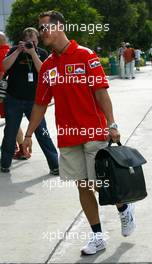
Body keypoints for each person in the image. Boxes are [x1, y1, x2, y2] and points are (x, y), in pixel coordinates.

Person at [23, 11, 136, 255]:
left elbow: (101, 93)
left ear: (60, 27)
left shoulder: (86, 56)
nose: (42, 33)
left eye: (45, 28)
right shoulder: (48, 67)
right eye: (39, 29)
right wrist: (30, 135)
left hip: (94, 132)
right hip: (67, 136)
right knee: (82, 186)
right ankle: (98, 236)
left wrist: (112, 124)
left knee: (100, 184)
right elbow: (40, 104)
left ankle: (124, 207)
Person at [1, 27, 59, 174]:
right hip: (14, 99)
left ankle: (55, 165)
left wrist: (33, 53)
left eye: (33, 40)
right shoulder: (15, 50)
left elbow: (44, 72)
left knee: (42, 132)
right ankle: (4, 164)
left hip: (35, 102)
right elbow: (4, 66)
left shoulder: (42, 53)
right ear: (23, 41)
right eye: (27, 41)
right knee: (10, 132)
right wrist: (18, 51)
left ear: (37, 40)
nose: (30, 43)